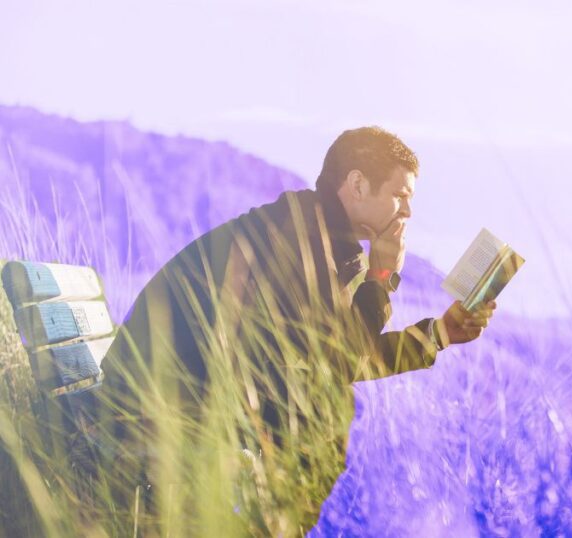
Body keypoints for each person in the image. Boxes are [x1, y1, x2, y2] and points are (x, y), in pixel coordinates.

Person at [89, 126, 496, 530]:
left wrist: (441, 332)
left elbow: (343, 355)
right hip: (155, 408)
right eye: (400, 196)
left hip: (185, 398)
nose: (407, 213)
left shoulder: (321, 236)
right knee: (327, 410)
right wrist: (384, 273)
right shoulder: (296, 239)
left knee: (324, 407)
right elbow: (343, 357)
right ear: (357, 184)